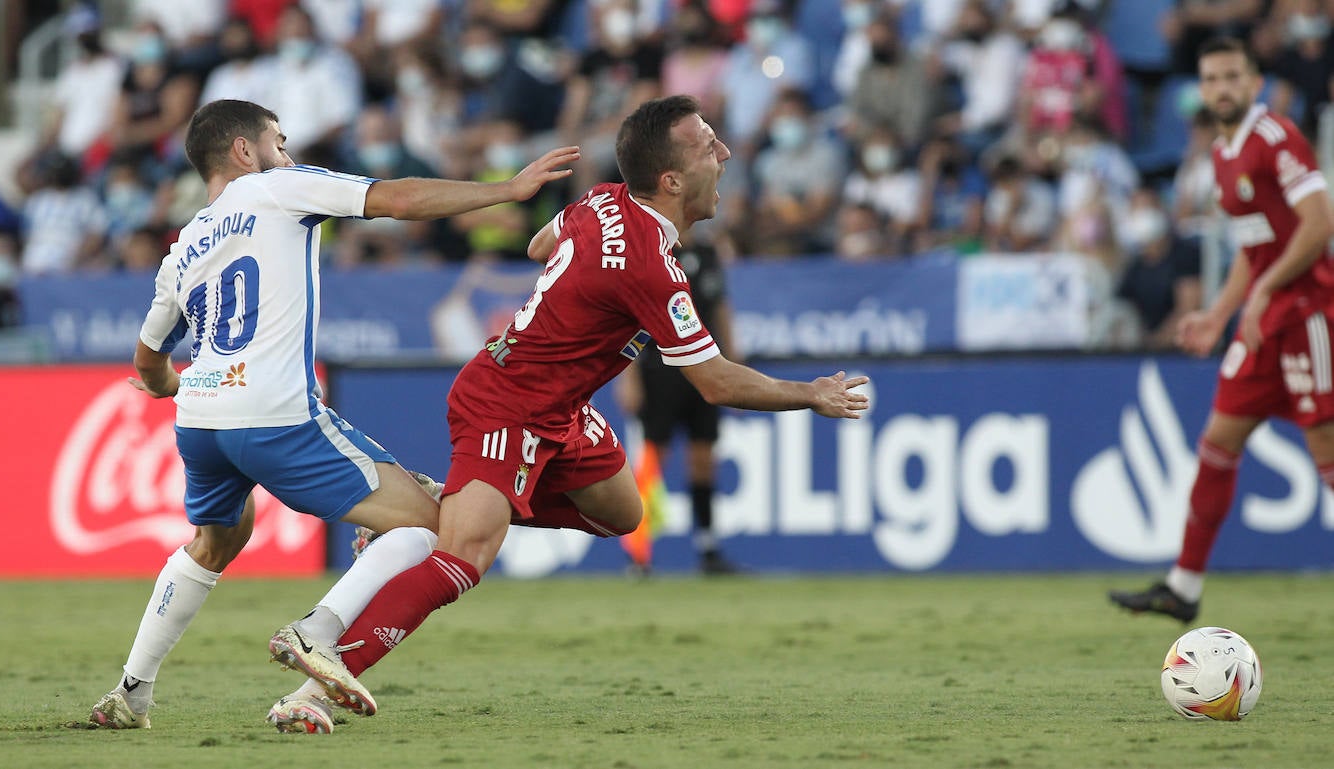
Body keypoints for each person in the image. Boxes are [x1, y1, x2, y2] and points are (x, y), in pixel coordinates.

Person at [261, 95, 870, 732]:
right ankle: (317, 679)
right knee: (465, 554)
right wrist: (811, 393)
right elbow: (715, 383)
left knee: (622, 514)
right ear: (671, 180)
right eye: (709, 145)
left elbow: (537, 244)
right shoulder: (652, 267)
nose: (723, 155)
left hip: (561, 408)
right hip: (509, 404)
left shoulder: (604, 198)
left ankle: (446, 501)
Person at [87, 98, 580, 729]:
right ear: (245, 151)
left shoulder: (181, 249)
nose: (287, 154)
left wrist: (170, 385)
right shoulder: (279, 188)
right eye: (278, 141)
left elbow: (148, 360)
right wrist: (507, 190)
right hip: (274, 412)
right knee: (430, 527)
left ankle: (132, 692)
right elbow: (396, 200)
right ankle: (317, 631)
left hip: (201, 419)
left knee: (215, 542)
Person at [1109, 37, 1334, 621]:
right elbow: (1250, 248)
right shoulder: (1222, 153)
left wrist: (1263, 291)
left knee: (1327, 450)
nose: (1222, 88)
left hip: (1309, 312)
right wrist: (1216, 311)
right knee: (1217, 445)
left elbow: (1319, 225)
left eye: (1232, 76)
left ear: (1254, 82)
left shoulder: (1276, 139)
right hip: (1261, 323)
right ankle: (1183, 587)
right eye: (1211, 79)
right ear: (1201, 90)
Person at [614, 227, 741, 574]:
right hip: (659, 369)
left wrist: (734, 368)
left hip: (706, 366)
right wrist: (628, 376)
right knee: (654, 460)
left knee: (703, 458)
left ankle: (708, 547)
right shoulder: (650, 251)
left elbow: (721, 309)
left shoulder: (708, 254)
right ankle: (639, 552)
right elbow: (628, 319)